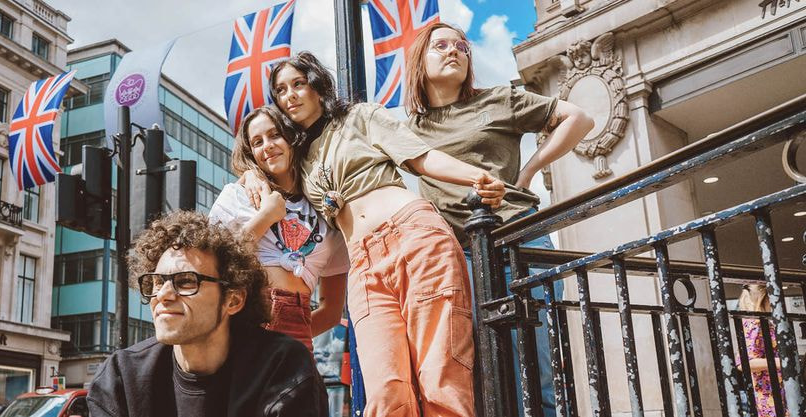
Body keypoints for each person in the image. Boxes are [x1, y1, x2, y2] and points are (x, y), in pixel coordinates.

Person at [242, 51, 507, 417]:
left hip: (413, 236)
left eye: (298, 84)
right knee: (385, 390)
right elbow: (263, 162)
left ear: (317, 86)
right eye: (280, 90)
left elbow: (420, 156)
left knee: (439, 375)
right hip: (362, 265)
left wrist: (476, 177)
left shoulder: (359, 117)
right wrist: (252, 174)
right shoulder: (298, 157)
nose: (289, 95)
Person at [404, 22, 594, 417]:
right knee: (476, 369)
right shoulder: (409, 130)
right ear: (420, 58)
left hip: (518, 240)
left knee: (536, 365)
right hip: (458, 257)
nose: (454, 50)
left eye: (461, 45)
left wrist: (524, 175)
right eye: (440, 45)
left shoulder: (499, 99)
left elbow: (579, 119)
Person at [86, 211, 328, 417]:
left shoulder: (282, 367)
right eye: (157, 282)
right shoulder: (122, 376)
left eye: (187, 281)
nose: (163, 295)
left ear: (233, 300)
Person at [210, 105, 349, 351]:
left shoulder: (323, 204)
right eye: (257, 142)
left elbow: (331, 311)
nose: (267, 145)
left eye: (275, 135)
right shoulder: (237, 195)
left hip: (299, 321)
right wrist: (266, 215)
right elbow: (215, 263)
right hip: (247, 316)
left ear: (292, 138)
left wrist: (297, 337)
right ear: (251, 153)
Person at [739, 284, 785, 416]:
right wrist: (779, 362)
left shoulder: (764, 323)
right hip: (769, 394)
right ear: (764, 298)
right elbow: (744, 363)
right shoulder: (755, 324)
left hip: (777, 391)